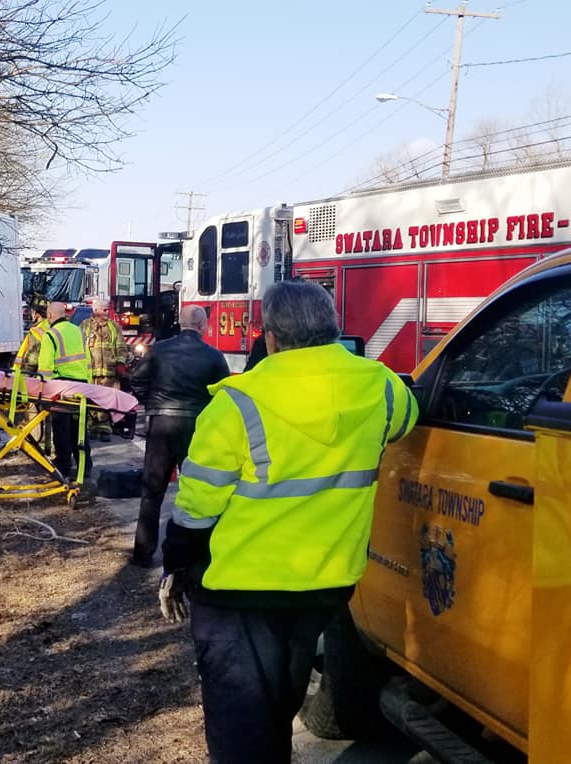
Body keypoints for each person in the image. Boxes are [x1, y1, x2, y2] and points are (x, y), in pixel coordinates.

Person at [157, 281, 418, 763]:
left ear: (271, 338)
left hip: (238, 591)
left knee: (242, 728)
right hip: (324, 584)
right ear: (333, 329)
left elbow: (196, 507)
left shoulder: (238, 402)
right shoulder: (382, 388)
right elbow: (408, 418)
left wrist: (175, 563)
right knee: (281, 703)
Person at [129, 305, 229, 567]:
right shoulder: (214, 356)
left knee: (152, 490)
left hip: (161, 424)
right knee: (198, 490)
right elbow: (223, 394)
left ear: (180, 323)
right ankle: (196, 555)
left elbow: (135, 379)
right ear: (202, 326)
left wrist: (151, 402)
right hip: (196, 427)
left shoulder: (159, 350)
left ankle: (142, 553)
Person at [38, 301, 92, 480]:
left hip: (61, 388)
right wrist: (88, 384)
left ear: (50, 315)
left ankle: (63, 467)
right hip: (82, 387)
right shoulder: (78, 331)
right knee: (79, 430)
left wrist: (43, 392)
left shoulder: (50, 334)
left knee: (62, 430)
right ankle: (85, 467)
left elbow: (45, 369)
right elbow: (88, 360)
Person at [80, 298, 128, 441]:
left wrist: (120, 362)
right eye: (105, 310)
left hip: (109, 372)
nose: (107, 312)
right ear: (96, 310)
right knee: (91, 400)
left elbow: (121, 348)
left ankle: (105, 428)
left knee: (106, 401)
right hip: (90, 372)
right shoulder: (85, 326)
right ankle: (91, 427)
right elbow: (79, 347)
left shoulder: (114, 327)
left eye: (108, 309)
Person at [12, 299, 52, 454]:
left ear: (36, 313)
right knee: (49, 416)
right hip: (52, 379)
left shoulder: (37, 332)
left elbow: (31, 359)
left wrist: (23, 379)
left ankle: (37, 446)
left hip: (37, 379)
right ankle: (48, 447)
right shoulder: (53, 328)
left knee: (34, 414)